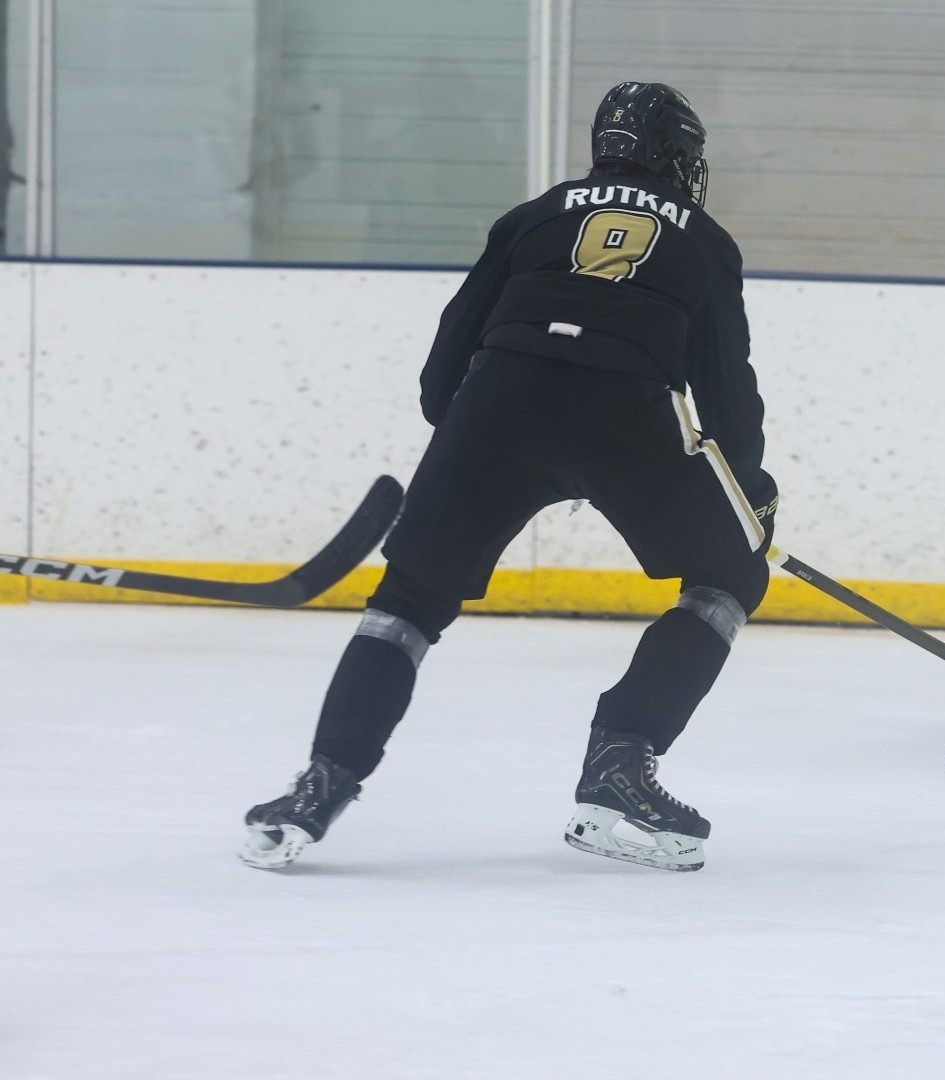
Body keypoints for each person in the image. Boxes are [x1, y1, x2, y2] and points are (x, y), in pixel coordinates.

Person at [240, 82, 777, 874]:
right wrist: (750, 493)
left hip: (496, 405)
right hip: (627, 415)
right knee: (730, 577)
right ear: (676, 157)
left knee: (407, 602)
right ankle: (620, 762)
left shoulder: (534, 214)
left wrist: (473, 443)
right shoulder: (704, 239)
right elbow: (728, 389)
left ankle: (319, 788)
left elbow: (442, 370)